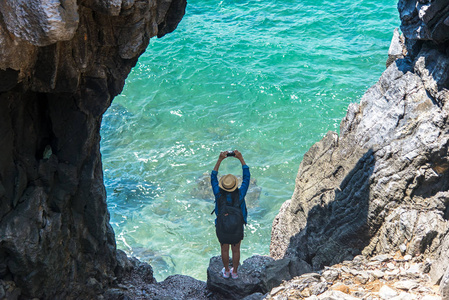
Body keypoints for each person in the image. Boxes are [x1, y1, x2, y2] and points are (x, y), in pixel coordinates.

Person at [211, 150, 249, 279]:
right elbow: (247, 177)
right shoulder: (240, 193)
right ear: (234, 185)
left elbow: (213, 176)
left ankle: (226, 271)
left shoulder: (218, 193)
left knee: (224, 249)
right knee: (236, 249)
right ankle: (235, 272)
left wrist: (220, 159)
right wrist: (240, 158)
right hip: (237, 225)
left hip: (222, 225)